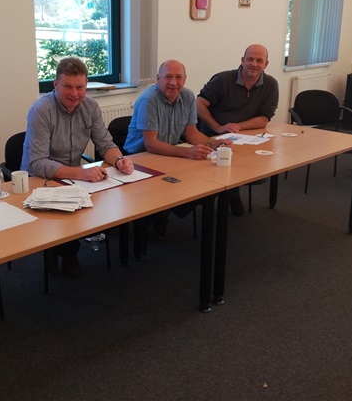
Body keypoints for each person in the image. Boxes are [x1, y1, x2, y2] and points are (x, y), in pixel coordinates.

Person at [22, 56, 134, 276]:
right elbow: (37, 163)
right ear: (56, 84)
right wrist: (81, 174)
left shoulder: (90, 107)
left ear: (86, 85)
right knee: (64, 214)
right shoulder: (41, 110)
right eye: (68, 86)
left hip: (71, 177)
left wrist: (119, 160)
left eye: (80, 87)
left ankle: (67, 248)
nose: (74, 93)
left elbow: (106, 145)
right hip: (40, 180)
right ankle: (63, 250)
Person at [123, 59, 232, 238]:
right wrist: (188, 152)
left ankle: (164, 212)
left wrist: (212, 143)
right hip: (140, 158)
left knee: (202, 183)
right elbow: (151, 143)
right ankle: (154, 216)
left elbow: (191, 133)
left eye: (178, 77)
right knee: (174, 184)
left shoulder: (188, 97)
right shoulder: (148, 100)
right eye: (168, 77)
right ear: (158, 79)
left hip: (169, 154)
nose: (173, 82)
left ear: (185, 79)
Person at [196, 44, 279, 216]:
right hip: (211, 135)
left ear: (266, 64)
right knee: (223, 163)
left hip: (242, 136)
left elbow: (264, 118)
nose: (254, 64)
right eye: (250, 59)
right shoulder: (222, 80)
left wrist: (237, 126)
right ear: (242, 60)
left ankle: (232, 192)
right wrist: (219, 127)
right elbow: (198, 104)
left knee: (248, 161)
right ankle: (225, 195)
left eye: (259, 60)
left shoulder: (271, 84)